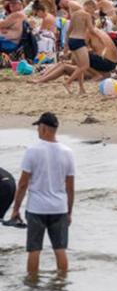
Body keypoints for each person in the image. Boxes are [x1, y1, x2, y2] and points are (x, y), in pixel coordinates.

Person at [9, 112, 75, 275]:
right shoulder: (68, 152)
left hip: (37, 208)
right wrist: (69, 211)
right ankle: (61, 284)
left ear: (44, 128)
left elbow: (23, 183)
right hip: (59, 208)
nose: (37, 130)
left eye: (38, 127)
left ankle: (32, 286)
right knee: (60, 249)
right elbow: (70, 187)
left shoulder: (32, 151)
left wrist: (16, 209)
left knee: (34, 250)